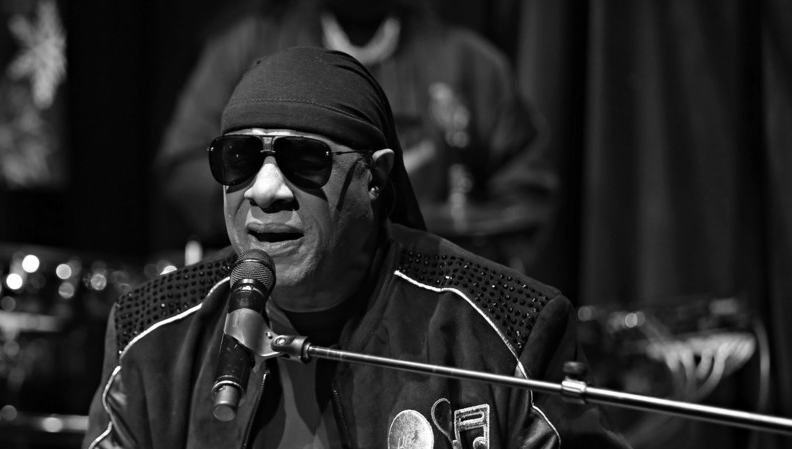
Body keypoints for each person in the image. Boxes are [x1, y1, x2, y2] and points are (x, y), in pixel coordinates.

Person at [42, 46, 652, 449]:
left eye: (304, 160)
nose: (265, 189)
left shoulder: (498, 319)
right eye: (239, 158)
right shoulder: (158, 324)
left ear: (376, 178)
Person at [152, 0, 557, 270]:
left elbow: (526, 189)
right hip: (276, 278)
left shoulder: (468, 62)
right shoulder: (248, 43)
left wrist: (407, 219)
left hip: (422, 283)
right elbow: (184, 164)